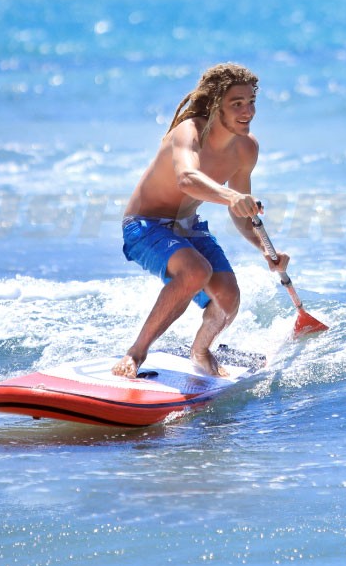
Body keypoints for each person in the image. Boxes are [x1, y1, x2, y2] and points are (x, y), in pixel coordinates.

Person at [112, 63, 289, 379]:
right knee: (196, 271)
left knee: (228, 297)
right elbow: (187, 178)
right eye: (237, 103)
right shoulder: (189, 131)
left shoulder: (246, 148)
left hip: (188, 228)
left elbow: (241, 211)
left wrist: (264, 248)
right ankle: (135, 353)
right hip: (144, 225)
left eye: (251, 102)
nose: (248, 111)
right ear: (216, 103)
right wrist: (231, 196)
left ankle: (201, 350)